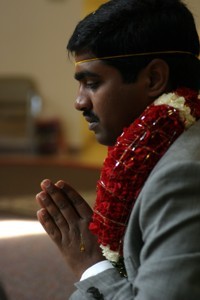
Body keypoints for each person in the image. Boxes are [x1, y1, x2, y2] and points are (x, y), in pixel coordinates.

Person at [36, 0, 200, 299]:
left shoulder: (184, 173)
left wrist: (92, 266)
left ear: (153, 78)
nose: (79, 102)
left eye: (92, 83)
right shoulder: (165, 146)